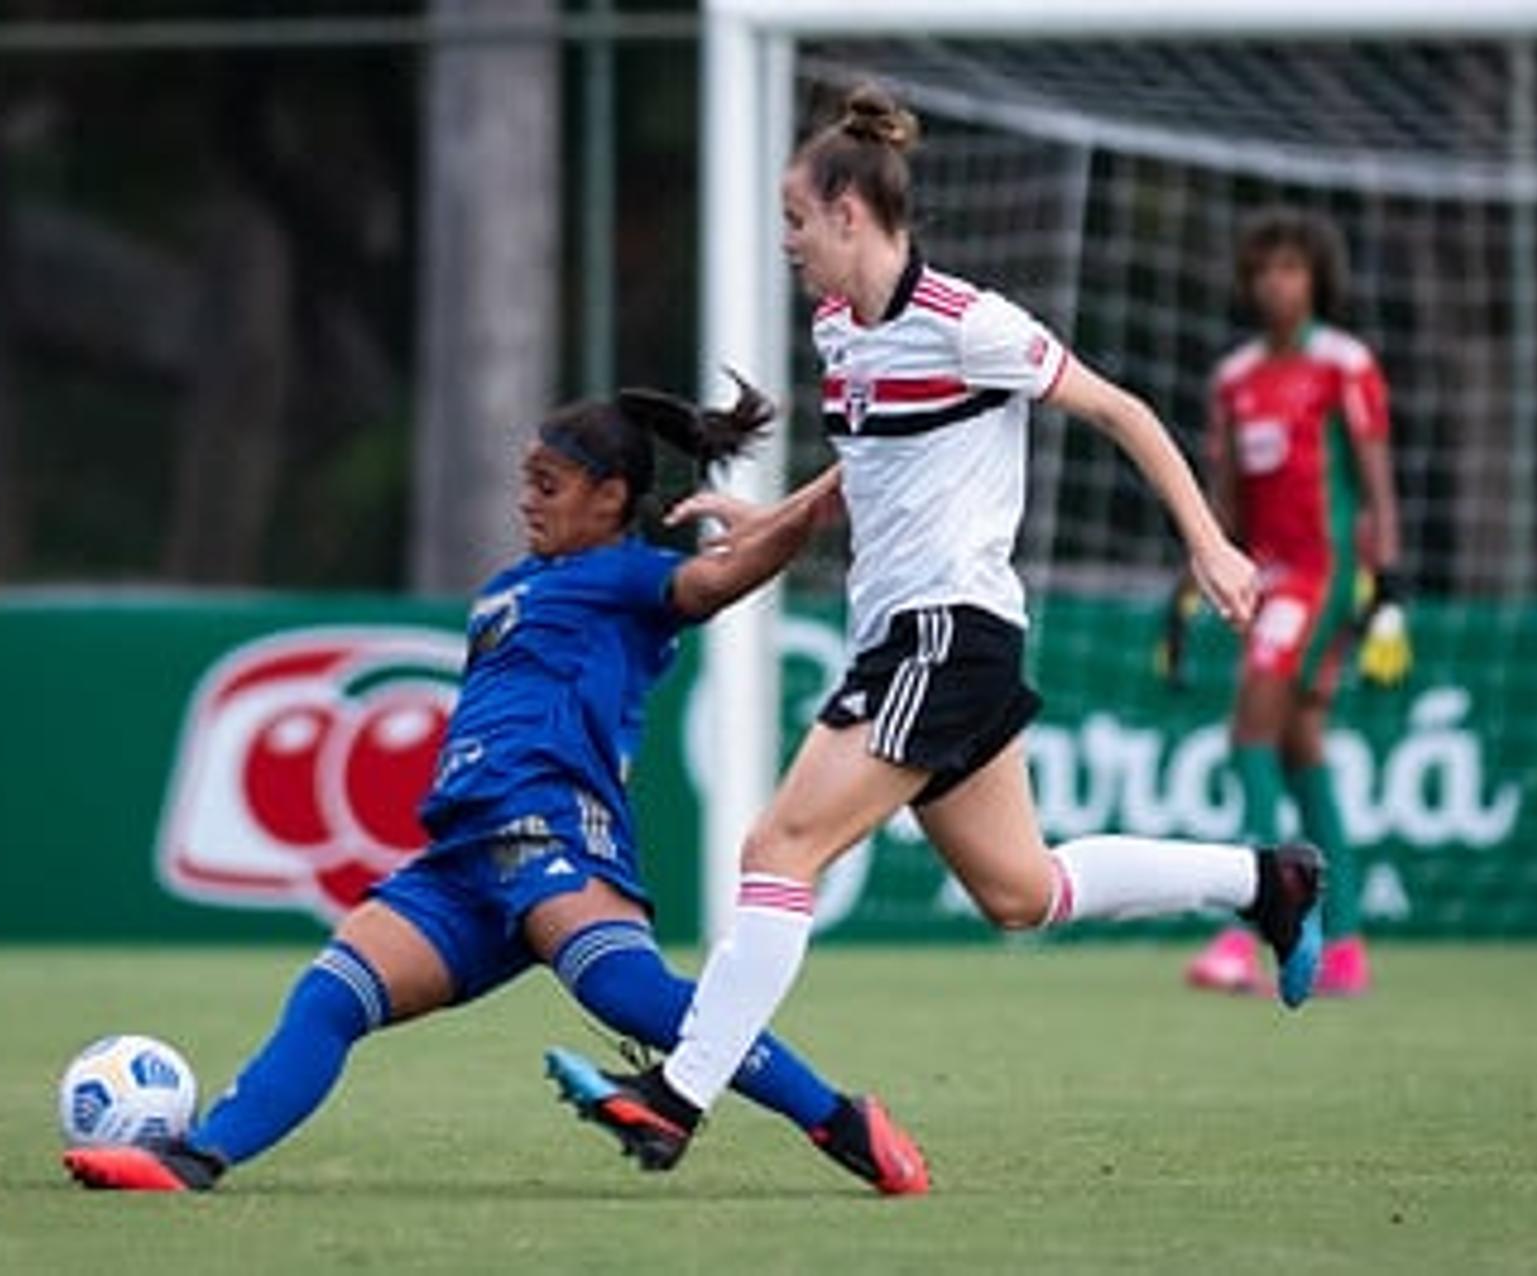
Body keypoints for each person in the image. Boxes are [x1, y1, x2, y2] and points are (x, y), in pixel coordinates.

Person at [545, 85, 1324, 1177]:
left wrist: (1209, 543)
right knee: (1023, 892)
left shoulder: (972, 324)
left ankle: (676, 1096)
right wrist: (761, 520)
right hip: (911, 640)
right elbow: (860, 477)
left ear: (851, 214)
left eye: (796, 220)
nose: (787, 243)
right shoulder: (838, 333)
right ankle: (1265, 882)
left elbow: (1125, 412)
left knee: (779, 849)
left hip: (948, 632)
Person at [63, 377, 930, 1196]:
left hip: (552, 824)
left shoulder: (630, 578)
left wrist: (834, 488)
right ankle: (199, 1158)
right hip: (461, 854)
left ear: (612, 497)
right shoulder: (509, 588)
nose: (529, 499)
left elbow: (720, 576)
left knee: (623, 992)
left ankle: (841, 1120)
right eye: (528, 481)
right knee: (330, 996)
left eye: (549, 484)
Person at [1176, 209, 1407, 1000]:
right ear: (1249, 281)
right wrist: (1189, 582)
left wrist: (1388, 588)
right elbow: (1227, 501)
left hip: (1325, 574)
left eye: (1294, 269)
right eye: (1267, 270)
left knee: (1251, 724)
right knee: (1302, 741)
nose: (1280, 283)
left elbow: (1374, 482)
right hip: (1266, 579)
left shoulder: (1344, 364)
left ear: (1317, 280)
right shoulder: (1235, 379)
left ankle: (1256, 926)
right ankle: (1342, 943)